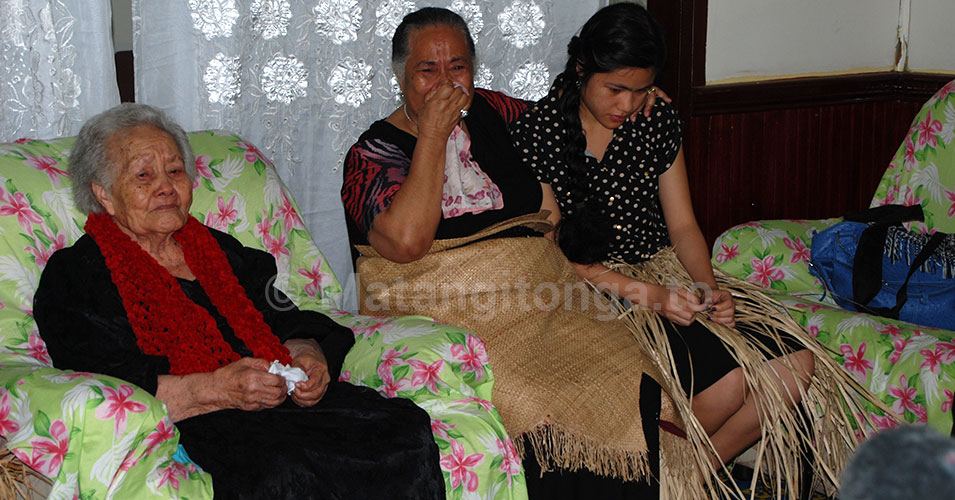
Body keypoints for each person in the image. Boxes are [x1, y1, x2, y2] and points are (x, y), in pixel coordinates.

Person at [510, 1, 879, 490]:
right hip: (590, 289)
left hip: (666, 275)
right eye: (615, 89)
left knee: (795, 366)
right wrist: (651, 297)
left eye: (639, 91)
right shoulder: (538, 133)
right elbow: (551, 255)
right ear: (582, 70)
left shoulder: (657, 118)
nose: (626, 105)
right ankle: (657, 473)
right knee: (727, 384)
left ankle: (688, 478)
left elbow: (683, 226)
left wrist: (705, 286)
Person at [341, 7, 695, 499]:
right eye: (427, 71)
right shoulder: (372, 154)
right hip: (459, 308)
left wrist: (633, 94)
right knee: (538, 401)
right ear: (401, 75)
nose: (446, 83)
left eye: (458, 67)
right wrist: (432, 138)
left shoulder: (496, 113)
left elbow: (572, 111)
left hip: (543, 297)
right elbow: (405, 243)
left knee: (624, 374)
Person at [34, 103, 444, 500]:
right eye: (143, 175)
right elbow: (107, 384)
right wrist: (218, 389)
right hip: (199, 421)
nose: (166, 186)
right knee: (284, 471)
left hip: (279, 404)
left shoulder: (217, 249)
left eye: (175, 170)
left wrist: (307, 357)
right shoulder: (77, 275)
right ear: (103, 194)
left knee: (402, 429)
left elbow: (281, 316)